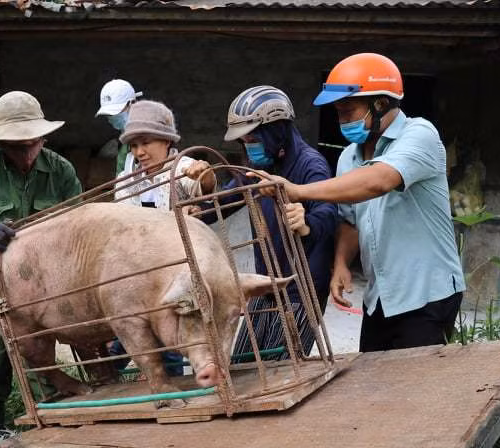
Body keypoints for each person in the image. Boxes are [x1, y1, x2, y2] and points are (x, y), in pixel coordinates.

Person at [251, 53, 465, 352]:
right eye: (338, 112)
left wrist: (298, 191)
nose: (341, 121)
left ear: (380, 104)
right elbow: (351, 220)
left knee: (413, 390)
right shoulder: (349, 156)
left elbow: (378, 181)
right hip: (381, 297)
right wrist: (340, 263)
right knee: (370, 384)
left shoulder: (420, 134)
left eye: (348, 111)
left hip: (427, 293)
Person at [0, 91, 82, 439]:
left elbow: (80, 224)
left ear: (43, 137)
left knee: (43, 340)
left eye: (32, 144)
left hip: (50, 277)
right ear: (0, 143)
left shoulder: (61, 171)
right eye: (15, 147)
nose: (25, 154)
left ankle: (49, 410)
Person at [187, 86, 337, 360]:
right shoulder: (258, 169)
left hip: (300, 289)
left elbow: (328, 212)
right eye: (243, 141)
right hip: (266, 284)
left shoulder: (310, 164)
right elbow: (226, 199)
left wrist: (306, 224)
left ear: (277, 130)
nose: (248, 146)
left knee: (283, 366)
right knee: (245, 365)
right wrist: (199, 204)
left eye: (253, 138)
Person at [110, 99, 213, 375]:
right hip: (141, 272)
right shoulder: (126, 180)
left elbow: (207, 186)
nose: (140, 152)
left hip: (178, 273)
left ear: (167, 140)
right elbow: (122, 225)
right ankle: (106, 373)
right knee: (129, 331)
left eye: (146, 142)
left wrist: (204, 175)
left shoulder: (183, 167)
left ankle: (175, 391)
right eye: (133, 146)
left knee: (169, 339)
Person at [94, 78, 142, 175]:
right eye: (109, 114)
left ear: (132, 104)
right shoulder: (124, 146)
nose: (111, 118)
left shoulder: (153, 136)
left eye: (115, 113)